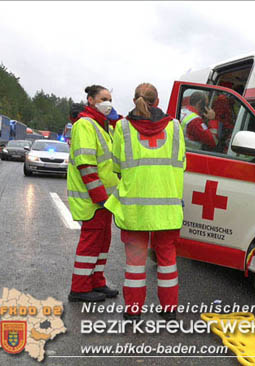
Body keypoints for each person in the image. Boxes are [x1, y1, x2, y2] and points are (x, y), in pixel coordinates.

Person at [104, 83, 185, 320]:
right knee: (167, 263)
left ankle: (133, 312)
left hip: (135, 210)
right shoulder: (176, 127)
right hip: (167, 211)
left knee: (135, 265)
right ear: (157, 102)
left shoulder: (122, 127)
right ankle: (169, 311)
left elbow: (117, 165)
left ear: (134, 100)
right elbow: (182, 163)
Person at [67, 85, 119, 302]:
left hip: (105, 199)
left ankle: (97, 281)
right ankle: (79, 288)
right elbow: (86, 165)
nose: (108, 102)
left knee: (103, 242)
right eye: (103, 98)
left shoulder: (103, 125)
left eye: (110, 98)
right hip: (93, 198)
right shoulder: (85, 125)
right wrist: (100, 197)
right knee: (91, 243)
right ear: (90, 100)